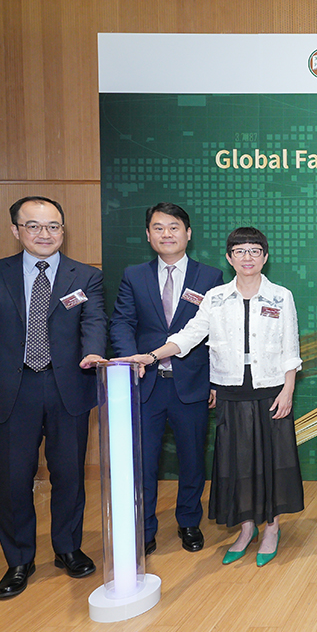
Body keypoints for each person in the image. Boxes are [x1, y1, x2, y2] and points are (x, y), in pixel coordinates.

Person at [121, 227, 304, 568]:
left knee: (271, 462)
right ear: (229, 257)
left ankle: (272, 528)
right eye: (240, 251)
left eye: (254, 251)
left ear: (265, 256)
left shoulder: (281, 296)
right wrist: (151, 355)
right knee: (239, 463)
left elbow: (290, 347)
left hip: (270, 389)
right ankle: (247, 527)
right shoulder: (216, 297)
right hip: (231, 390)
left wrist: (288, 390)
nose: (247, 257)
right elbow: (189, 335)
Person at [0, 196, 106, 600]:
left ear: (63, 229)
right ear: (15, 230)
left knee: (70, 476)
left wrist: (94, 353)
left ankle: (68, 548)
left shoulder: (85, 276)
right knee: (13, 480)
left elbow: (94, 323)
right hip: (9, 393)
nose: (45, 234)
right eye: (35, 226)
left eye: (54, 226)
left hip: (67, 390)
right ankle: (19, 558)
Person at [110, 202, 224, 556]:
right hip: (146, 384)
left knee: (192, 458)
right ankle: (144, 529)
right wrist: (131, 360)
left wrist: (216, 381)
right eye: (158, 228)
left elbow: (219, 334)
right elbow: (122, 322)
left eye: (173, 227)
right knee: (143, 462)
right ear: (148, 235)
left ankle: (189, 522)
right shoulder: (134, 275)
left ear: (188, 233)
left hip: (192, 384)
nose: (166, 234)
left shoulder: (211, 277)